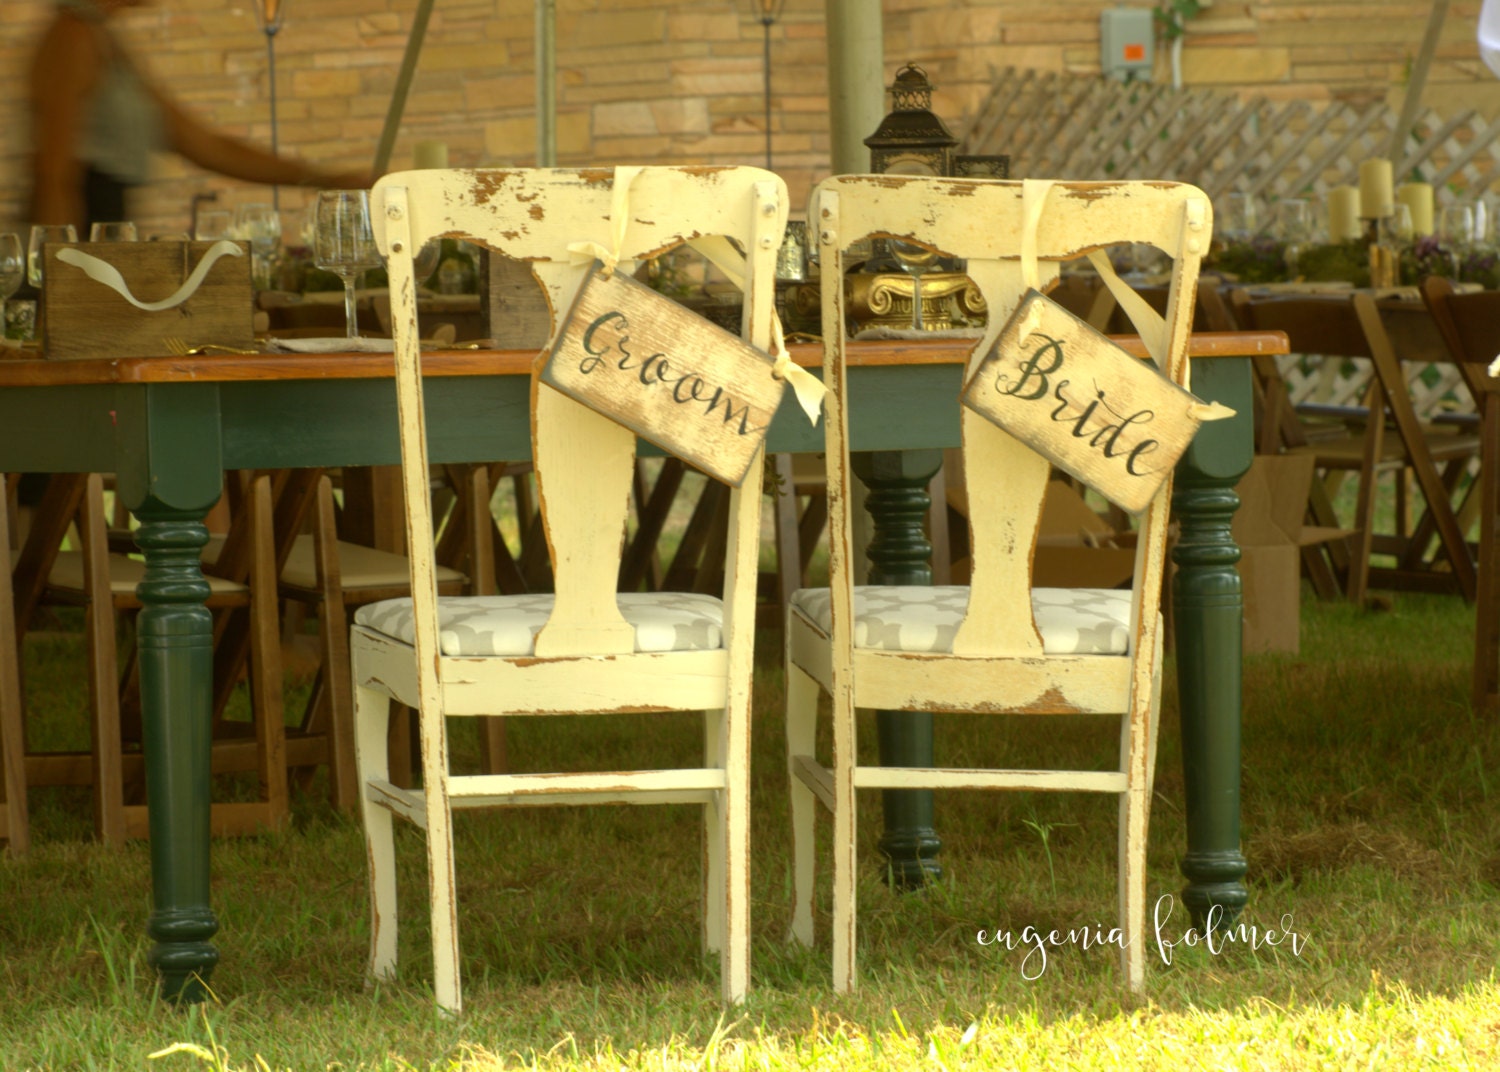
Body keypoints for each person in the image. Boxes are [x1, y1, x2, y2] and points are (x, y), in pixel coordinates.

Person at [29, 0, 369, 232]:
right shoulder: (72, 35)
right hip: (82, 228)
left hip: (105, 228)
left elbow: (206, 146)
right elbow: (53, 174)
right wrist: (59, 271)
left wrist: (325, 179)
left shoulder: (104, 40)